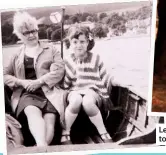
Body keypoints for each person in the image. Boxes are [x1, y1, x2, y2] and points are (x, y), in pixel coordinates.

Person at [4, 11, 66, 146]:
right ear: (20, 35)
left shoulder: (51, 49)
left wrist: (39, 82)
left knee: (50, 119)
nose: (31, 35)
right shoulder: (16, 54)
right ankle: (42, 148)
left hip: (49, 92)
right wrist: (21, 82)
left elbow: (59, 70)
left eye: (33, 31)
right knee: (32, 113)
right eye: (26, 33)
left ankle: (40, 148)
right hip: (26, 93)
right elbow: (4, 75)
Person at [61, 26, 114, 144]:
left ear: (88, 42)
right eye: (75, 42)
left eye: (82, 41)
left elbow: (104, 77)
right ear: (70, 43)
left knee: (87, 102)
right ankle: (65, 132)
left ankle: (103, 132)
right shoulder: (67, 60)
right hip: (74, 90)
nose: (78, 45)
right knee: (76, 100)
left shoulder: (96, 58)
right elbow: (66, 83)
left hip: (92, 90)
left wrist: (106, 96)